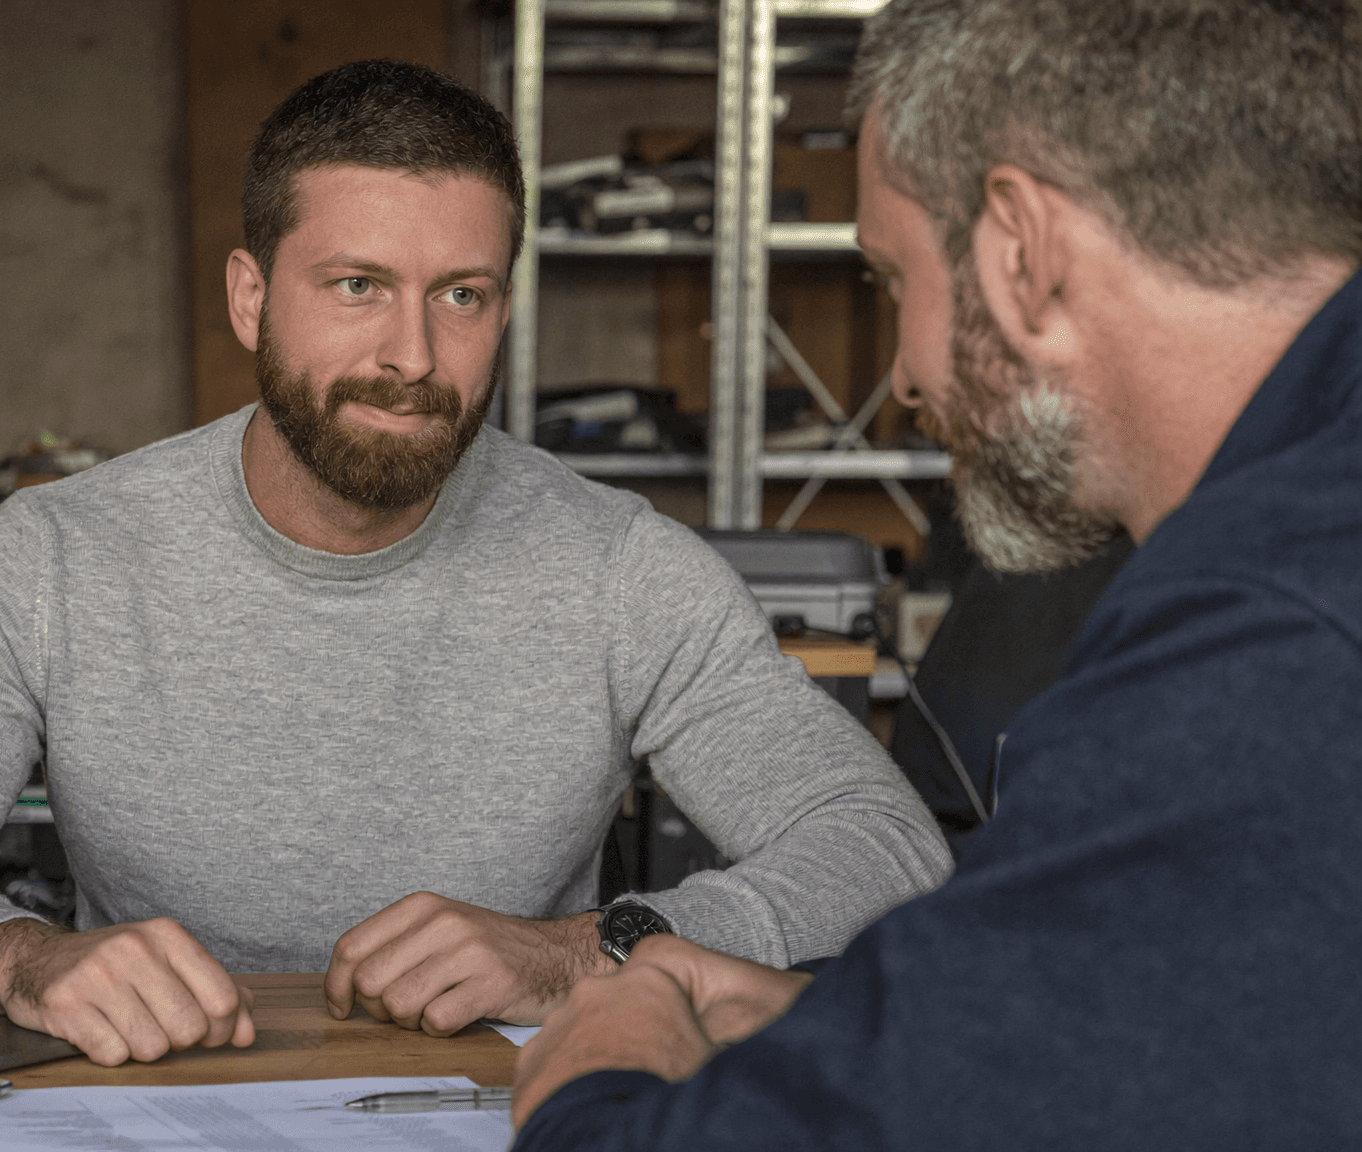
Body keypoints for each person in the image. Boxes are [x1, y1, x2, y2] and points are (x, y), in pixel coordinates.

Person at [0, 59, 950, 1069]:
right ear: (249, 297)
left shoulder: (621, 569)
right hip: (154, 1116)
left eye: (462, 295)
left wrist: (584, 951)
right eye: (355, 287)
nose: (411, 355)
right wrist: (13, 963)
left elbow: (885, 848)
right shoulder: (51, 559)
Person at [511, 1, 1362, 1145]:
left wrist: (595, 1078)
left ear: (1019, 250)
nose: (905, 378)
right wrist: (869, 1028)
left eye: (889, 280)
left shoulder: (1266, 638)